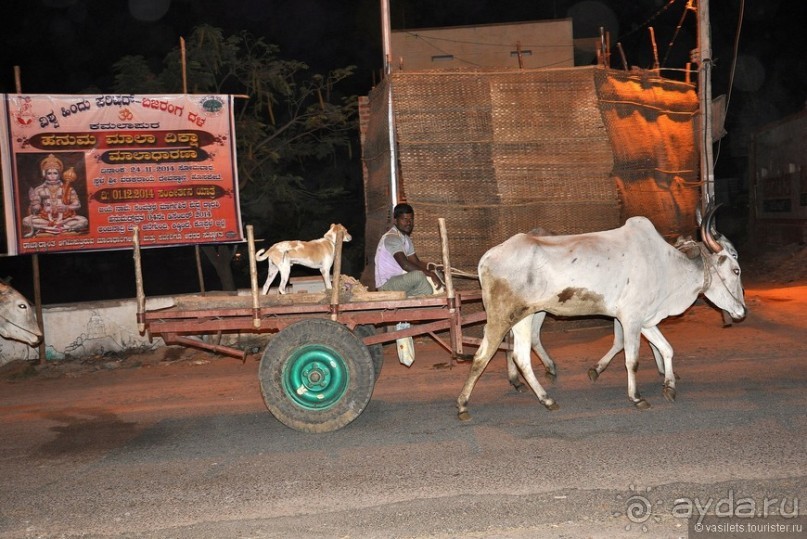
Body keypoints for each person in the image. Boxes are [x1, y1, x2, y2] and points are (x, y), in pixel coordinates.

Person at [374, 203, 444, 297]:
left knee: (432, 278)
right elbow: (405, 265)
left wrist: (432, 267)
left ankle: (412, 298)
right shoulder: (391, 238)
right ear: (395, 221)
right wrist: (430, 274)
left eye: (411, 219)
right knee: (418, 276)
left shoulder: (406, 239)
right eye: (404, 219)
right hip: (386, 285)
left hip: (400, 281)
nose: (408, 223)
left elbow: (416, 262)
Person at [23, 153, 89, 237]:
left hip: (65, 219)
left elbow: (77, 204)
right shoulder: (39, 189)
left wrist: (66, 207)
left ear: (59, 174)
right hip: (46, 219)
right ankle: (56, 229)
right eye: (49, 173)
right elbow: (35, 209)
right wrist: (35, 205)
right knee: (26, 220)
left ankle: (53, 228)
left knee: (83, 221)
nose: (52, 176)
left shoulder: (68, 189)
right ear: (44, 174)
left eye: (55, 173)